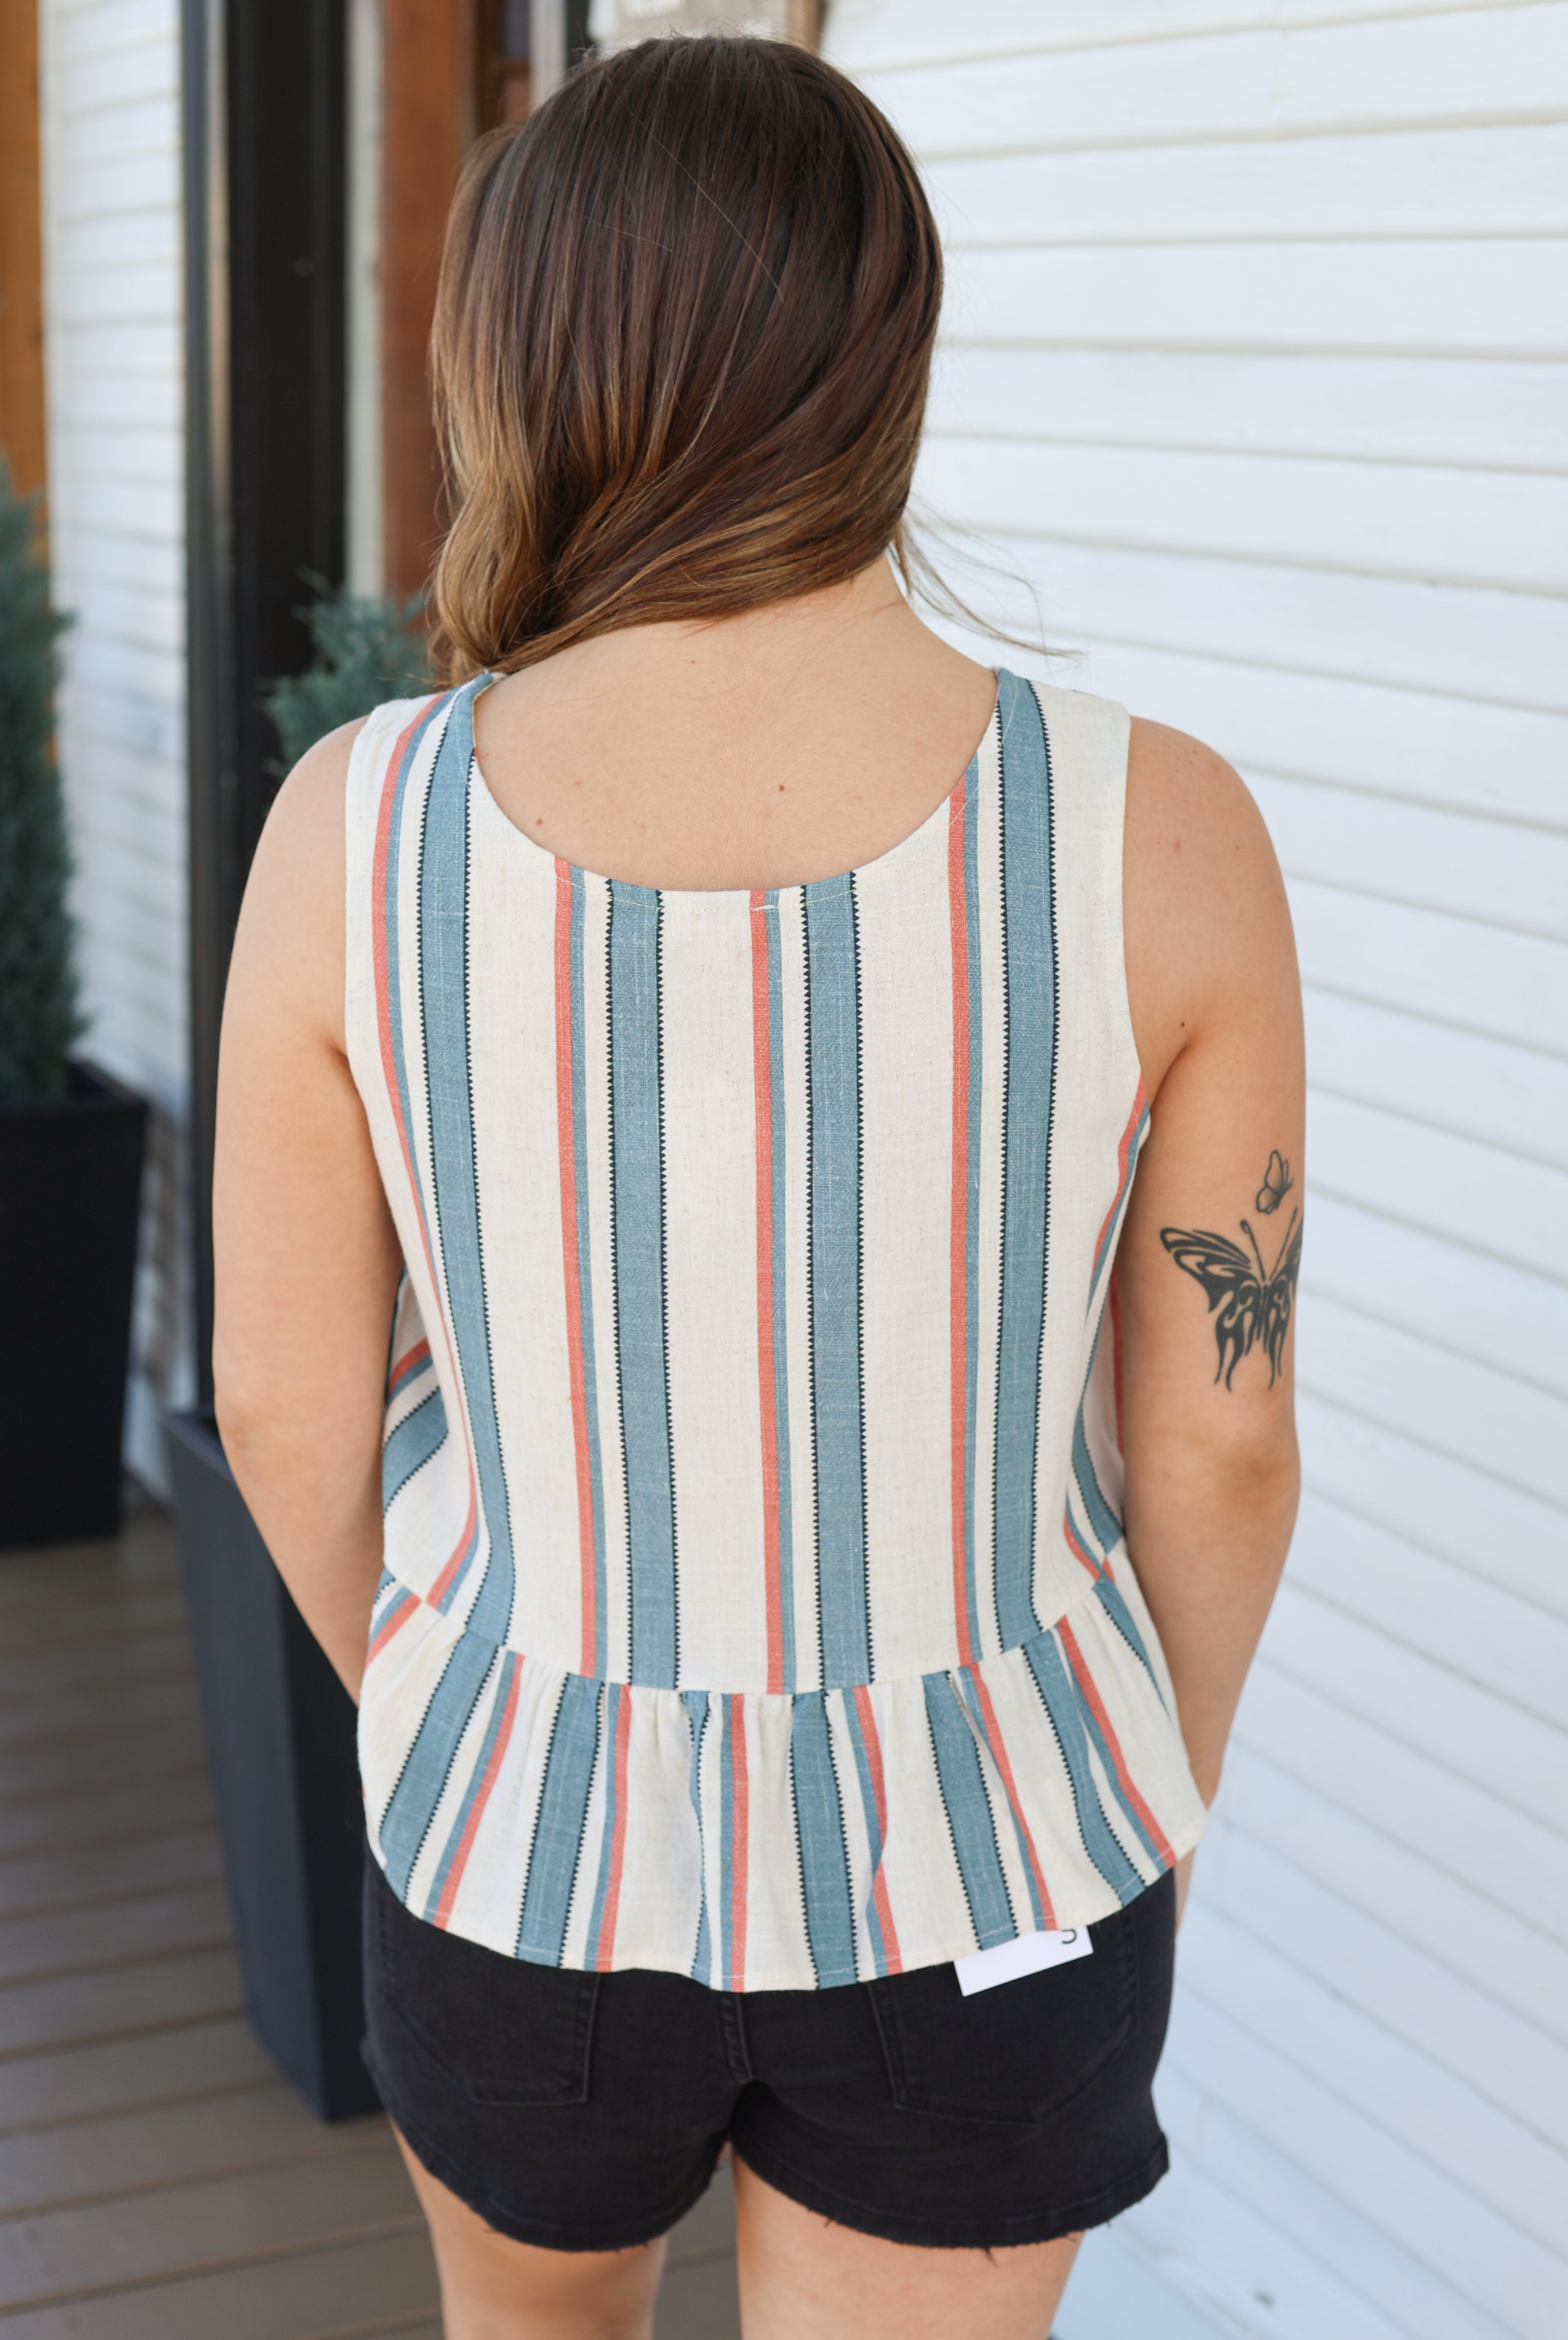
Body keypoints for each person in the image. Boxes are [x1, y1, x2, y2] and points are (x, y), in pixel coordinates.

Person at [213, 33, 1303, 2340]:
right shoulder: (1161, 826)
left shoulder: (357, 830)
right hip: (999, 1850)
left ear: (519, 362)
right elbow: (1220, 1436)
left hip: (520, 1846)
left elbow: (285, 1410)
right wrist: (1139, 1791)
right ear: (887, 350)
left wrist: (469, 1721)